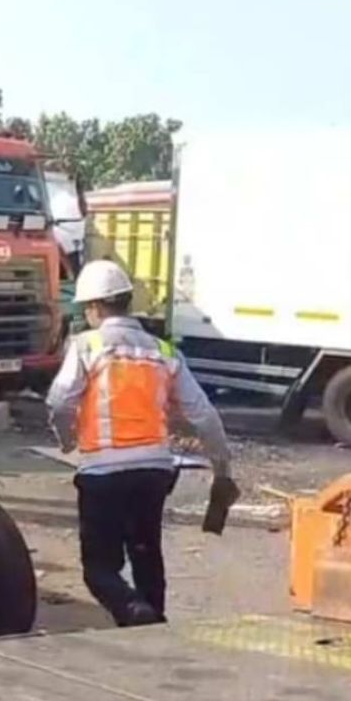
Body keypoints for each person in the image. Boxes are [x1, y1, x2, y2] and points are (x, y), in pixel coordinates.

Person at [46, 259, 235, 628]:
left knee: (100, 569)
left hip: (102, 473)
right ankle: (154, 624)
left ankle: (137, 614)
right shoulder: (164, 352)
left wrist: (67, 439)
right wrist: (222, 470)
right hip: (154, 472)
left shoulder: (87, 345)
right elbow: (205, 416)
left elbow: (59, 402)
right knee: (146, 555)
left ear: (95, 307)